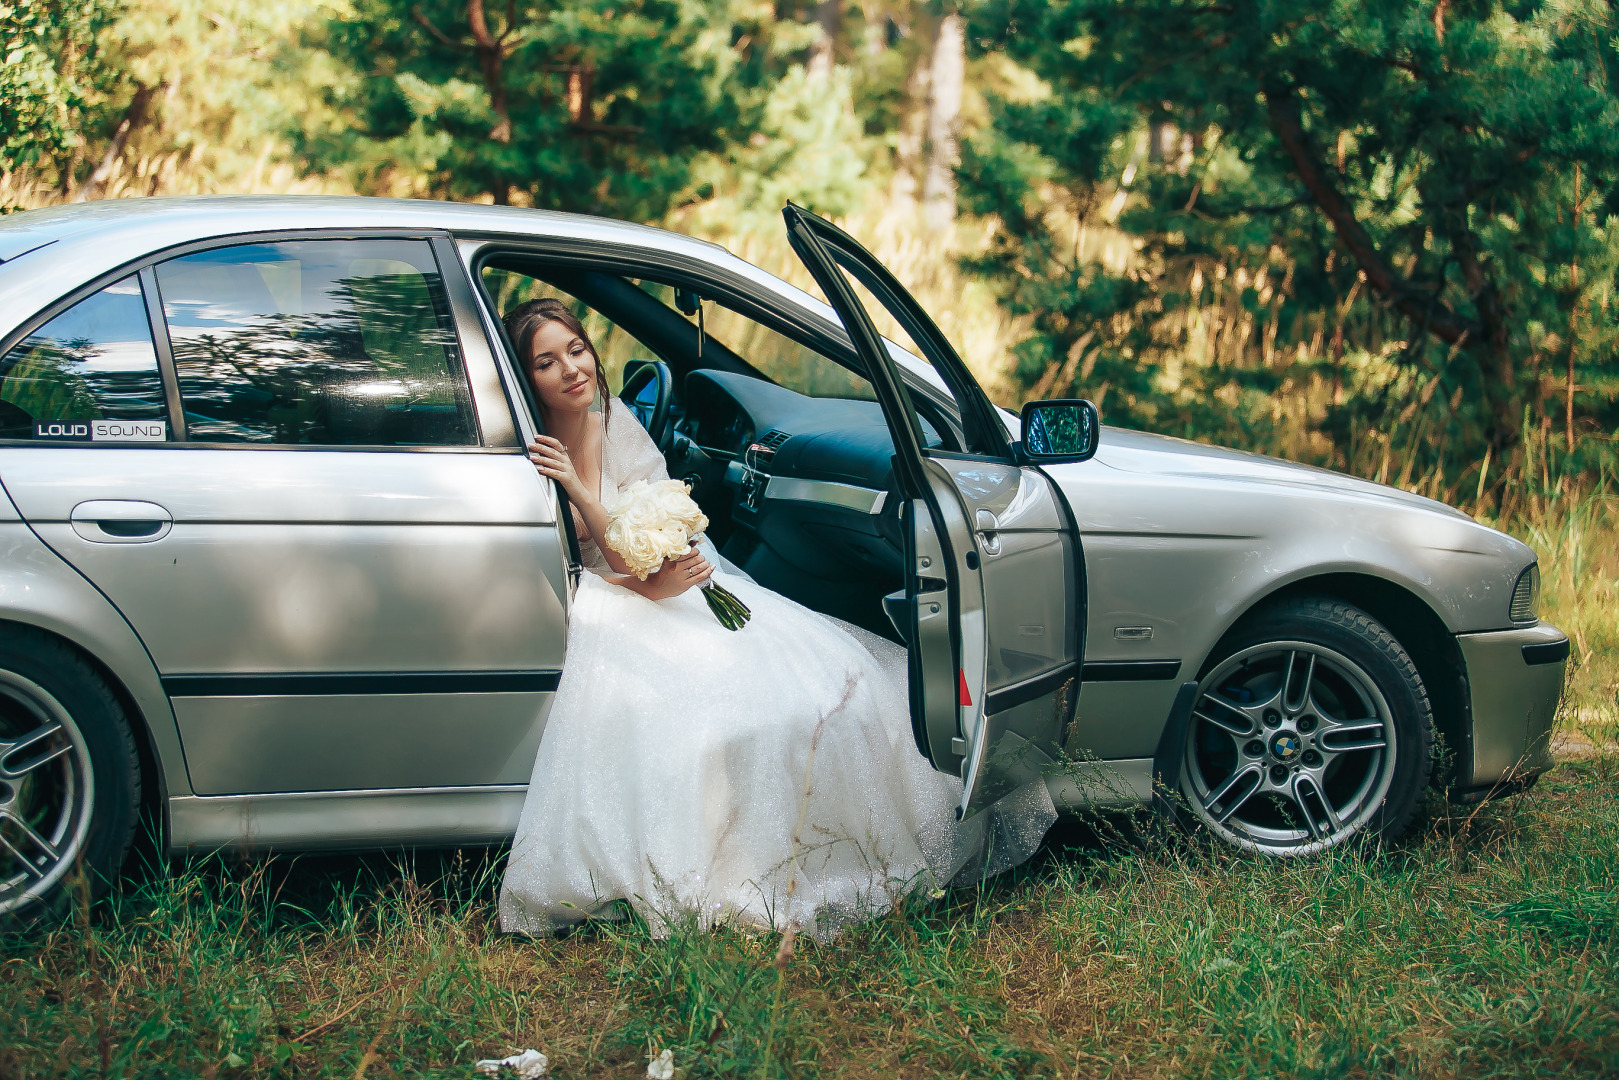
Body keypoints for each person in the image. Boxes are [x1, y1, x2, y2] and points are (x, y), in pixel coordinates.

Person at [496, 298, 1050, 939]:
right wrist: (582, 494)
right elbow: (614, 549)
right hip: (613, 589)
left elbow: (649, 526)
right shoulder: (558, 442)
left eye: (576, 349)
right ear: (526, 377)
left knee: (828, 673)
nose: (570, 369)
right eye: (545, 362)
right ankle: (720, 870)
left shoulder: (608, 420)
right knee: (717, 706)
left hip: (656, 579)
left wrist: (667, 565)